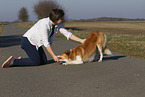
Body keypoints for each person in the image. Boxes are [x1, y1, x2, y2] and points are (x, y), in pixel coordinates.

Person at [2, 9, 85, 68]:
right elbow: (46, 43)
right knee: (36, 62)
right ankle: (13, 61)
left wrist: (81, 40)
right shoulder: (44, 24)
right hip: (28, 42)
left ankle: (25, 60)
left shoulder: (57, 25)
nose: (62, 19)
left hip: (36, 44)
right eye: (61, 18)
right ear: (56, 19)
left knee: (43, 61)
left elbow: (67, 34)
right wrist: (53, 56)